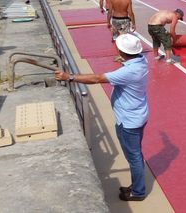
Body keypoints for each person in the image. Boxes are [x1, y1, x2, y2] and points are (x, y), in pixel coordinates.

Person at [54, 34, 149, 202]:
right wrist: (124, 58)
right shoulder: (141, 61)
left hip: (128, 121)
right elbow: (129, 60)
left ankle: (138, 192)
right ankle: (136, 185)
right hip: (138, 115)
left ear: (121, 50)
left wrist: (69, 77)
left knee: (134, 157)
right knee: (135, 154)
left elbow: (97, 78)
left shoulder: (128, 72)